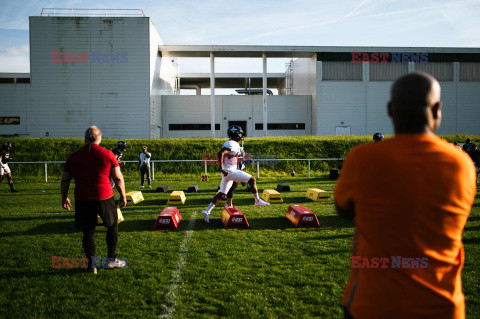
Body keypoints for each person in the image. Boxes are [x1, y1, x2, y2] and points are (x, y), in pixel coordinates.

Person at [335, 72, 475, 319]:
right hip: (442, 305)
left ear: (390, 110)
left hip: (373, 304)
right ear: (437, 109)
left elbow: (343, 208)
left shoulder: (363, 158)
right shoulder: (461, 164)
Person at [61, 126, 127, 274]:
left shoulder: (74, 156)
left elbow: (65, 180)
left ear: (85, 139)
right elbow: (117, 178)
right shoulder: (108, 154)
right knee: (112, 226)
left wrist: (64, 197)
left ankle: (92, 266)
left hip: (82, 198)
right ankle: (111, 260)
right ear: (99, 138)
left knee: (88, 231)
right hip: (104, 196)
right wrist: (122, 195)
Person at [202, 125, 269, 223]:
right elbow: (221, 153)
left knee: (222, 194)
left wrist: (245, 160)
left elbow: (233, 158)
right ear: (236, 134)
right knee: (252, 179)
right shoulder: (231, 143)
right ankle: (257, 200)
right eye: (240, 133)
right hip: (230, 171)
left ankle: (207, 211)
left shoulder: (233, 144)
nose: (241, 135)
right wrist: (221, 168)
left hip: (228, 171)